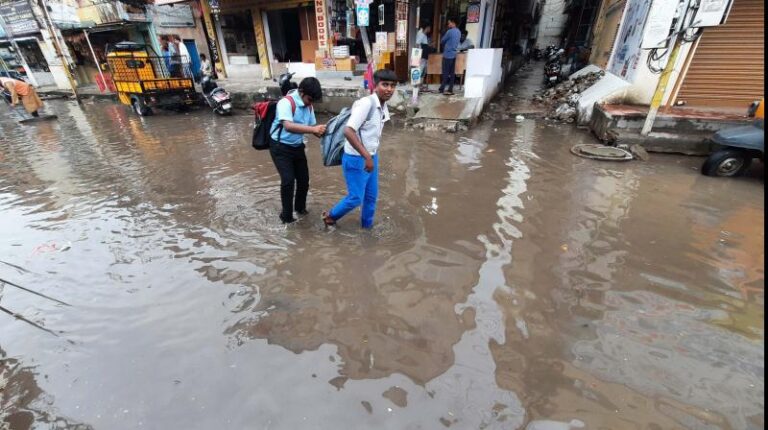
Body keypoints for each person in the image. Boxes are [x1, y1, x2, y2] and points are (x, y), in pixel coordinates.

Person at [322, 69, 396, 229]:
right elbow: (348, 131)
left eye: (392, 85)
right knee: (356, 198)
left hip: (371, 157)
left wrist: (371, 157)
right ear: (375, 86)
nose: (389, 89)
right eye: (385, 84)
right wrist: (367, 157)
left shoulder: (383, 106)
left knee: (371, 197)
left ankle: (367, 229)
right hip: (356, 158)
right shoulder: (366, 104)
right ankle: (330, 217)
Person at [270, 77, 327, 224]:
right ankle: (286, 217)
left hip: (297, 146)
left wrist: (327, 133)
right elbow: (288, 126)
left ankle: (300, 209)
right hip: (280, 146)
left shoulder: (309, 106)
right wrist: (313, 129)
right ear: (301, 92)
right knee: (288, 181)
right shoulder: (286, 103)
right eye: (309, 99)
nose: (311, 103)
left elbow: (313, 129)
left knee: (303, 180)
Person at [439, 18, 461, 95]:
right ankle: (450, 89)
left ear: (453, 22)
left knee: (445, 72)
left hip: (447, 54)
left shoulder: (449, 31)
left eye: (449, 23)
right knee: (452, 73)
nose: (448, 25)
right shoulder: (459, 32)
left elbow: (442, 41)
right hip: (454, 54)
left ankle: (442, 88)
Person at [415, 24, 432, 89]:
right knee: (420, 69)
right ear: (427, 27)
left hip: (423, 54)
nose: (430, 29)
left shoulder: (423, 34)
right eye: (429, 28)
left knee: (423, 69)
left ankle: (420, 84)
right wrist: (417, 55)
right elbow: (417, 44)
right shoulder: (421, 34)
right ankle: (417, 84)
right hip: (421, 55)